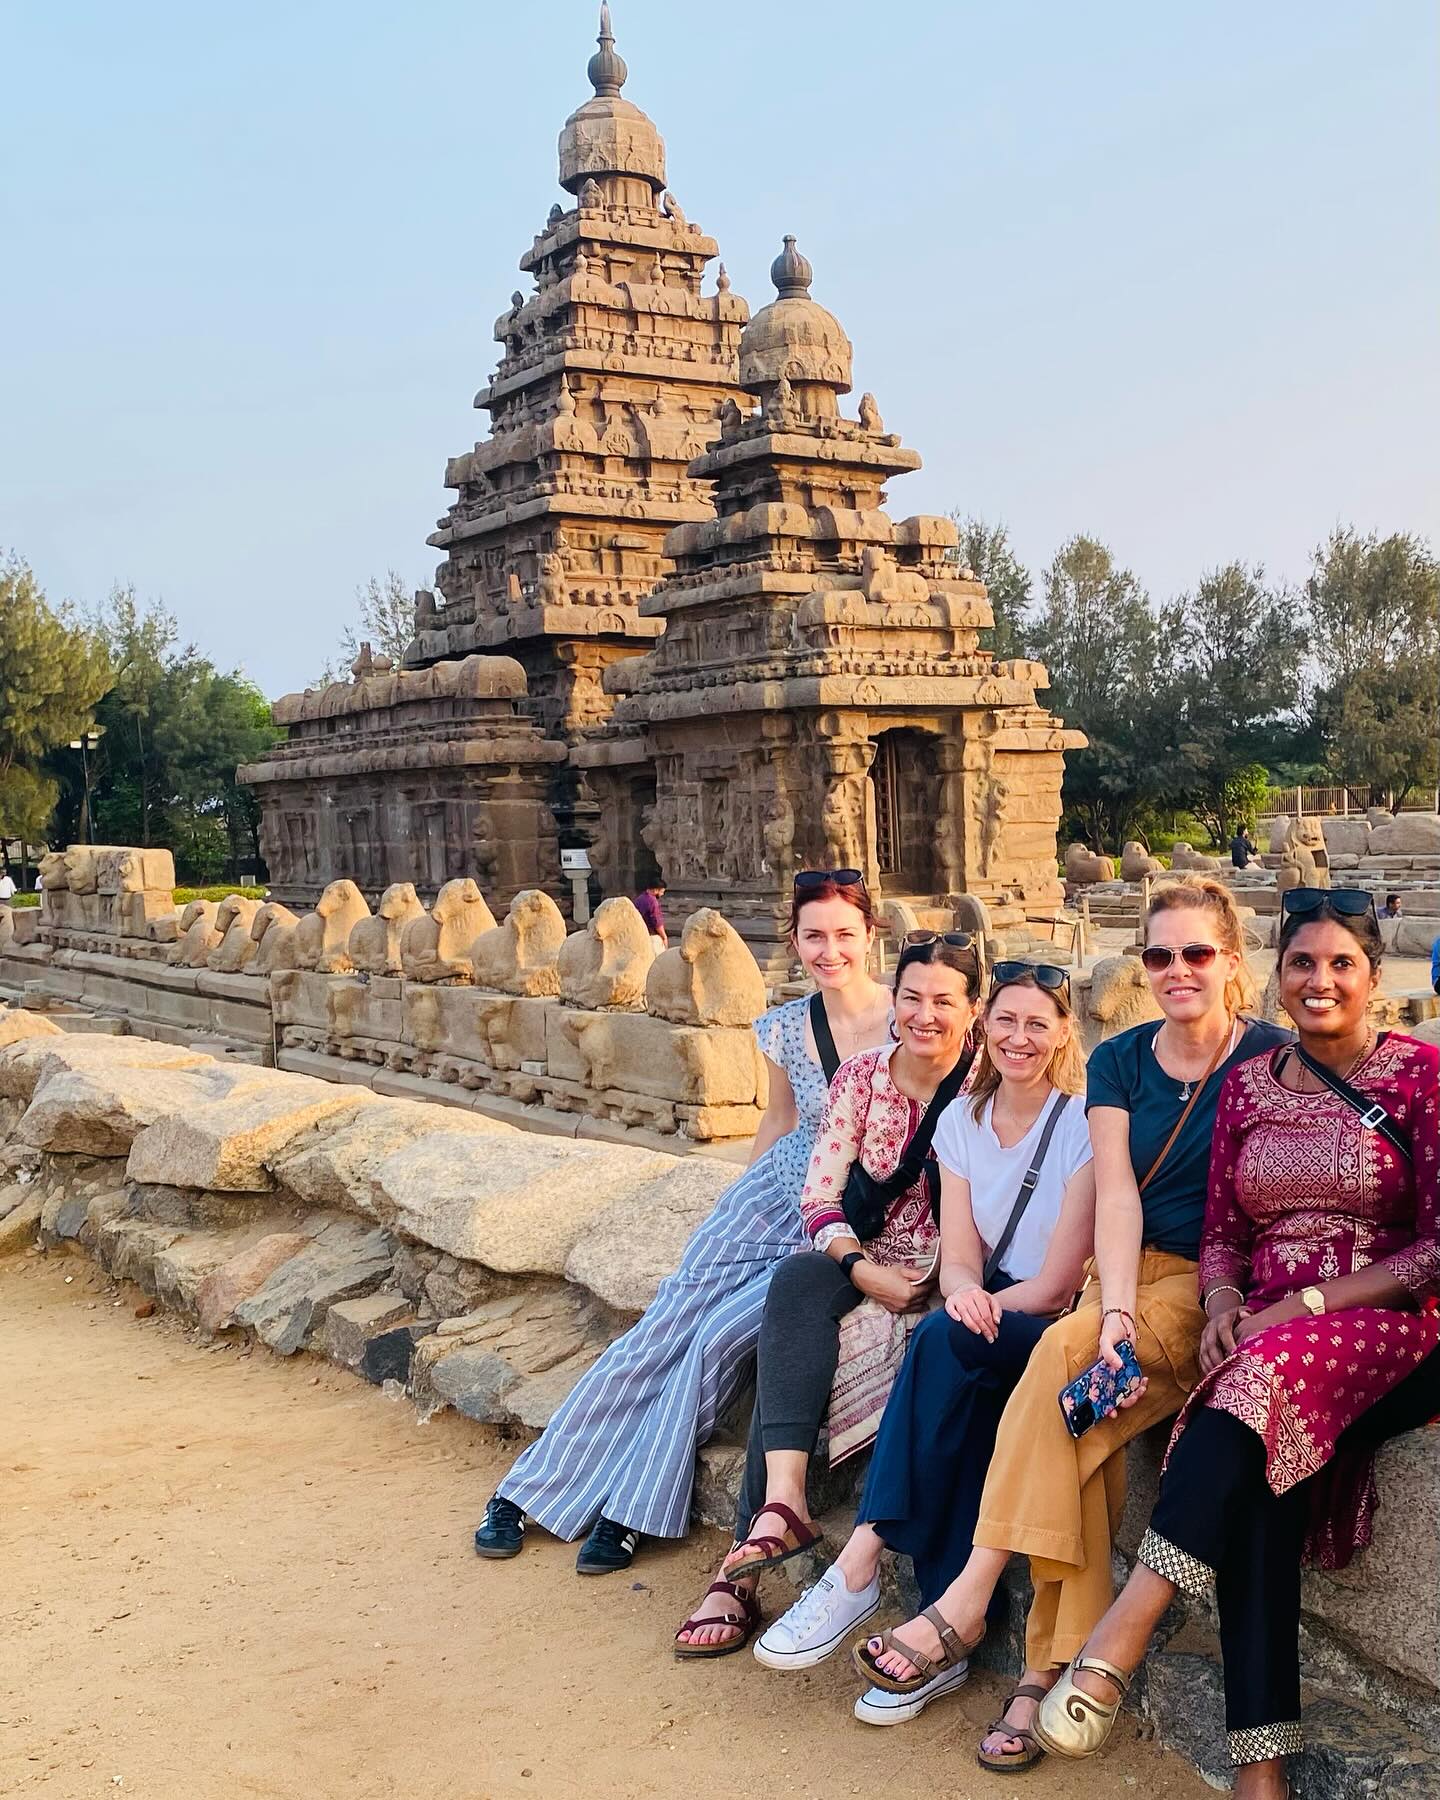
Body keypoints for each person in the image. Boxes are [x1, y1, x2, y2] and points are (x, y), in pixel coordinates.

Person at [850, 878, 1290, 1771]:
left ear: (1231, 964)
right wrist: (1116, 1312)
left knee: (1059, 1363)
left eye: (1196, 954)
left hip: (1217, 1287)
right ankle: (1041, 1677)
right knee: (1082, 1433)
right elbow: (1119, 1195)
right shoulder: (1124, 1059)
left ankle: (970, 1602)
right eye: (1159, 955)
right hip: (1131, 1276)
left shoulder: (1273, 1058)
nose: (1176, 971)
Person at [1031, 888, 1439, 1800]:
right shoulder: (1251, 1083)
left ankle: (1128, 1624)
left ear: (1375, 978)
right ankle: (1262, 1780)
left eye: (1342, 963)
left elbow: (1439, 1246)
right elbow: (1221, 1228)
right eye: (1303, 962)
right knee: (1260, 1476)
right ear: (1279, 976)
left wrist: (1306, 1305)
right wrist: (1219, 1298)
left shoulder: (1421, 1077)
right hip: (1264, 1339)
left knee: (1253, 1386)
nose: (1321, 980)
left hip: (1389, 1325)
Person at [474, 872, 892, 1574]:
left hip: (850, 1221)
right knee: (663, 1325)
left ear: (870, 937)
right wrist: (736, 1200)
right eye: (814, 936)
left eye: (844, 934)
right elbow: (782, 1121)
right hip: (771, 1200)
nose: (830, 950)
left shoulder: (908, 1017)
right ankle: (527, 1489)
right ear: (794, 941)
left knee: (715, 1342)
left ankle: (630, 1508)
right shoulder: (790, 1026)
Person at [753, 962, 1095, 1730]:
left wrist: (975, 1304)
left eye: (1037, 1023)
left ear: (1063, 1032)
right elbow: (962, 1247)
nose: (1018, 1038)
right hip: (984, 1298)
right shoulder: (961, 1123)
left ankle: (861, 1560)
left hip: (1050, 1315)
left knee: (943, 1343)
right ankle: (947, 1639)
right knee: (963, 1405)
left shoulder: (1080, 1125)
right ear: (988, 1027)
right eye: (1006, 1021)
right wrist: (967, 1290)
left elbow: (1056, 1283)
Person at [674, 931, 983, 1658]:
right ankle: (782, 1504)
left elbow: (999, 1212)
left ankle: (737, 1573)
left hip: (952, 1273)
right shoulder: (863, 1078)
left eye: (945, 1000)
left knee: (799, 1355)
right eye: (911, 997)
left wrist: (936, 1277)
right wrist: (858, 1268)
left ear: (974, 1008)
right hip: (864, 1256)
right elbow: (820, 1193)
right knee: (795, 1290)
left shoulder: (988, 1089)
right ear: (894, 1001)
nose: (925, 1015)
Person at [635, 880, 668, 952]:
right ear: (656, 890)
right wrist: (664, 936)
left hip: (638, 933)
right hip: (650, 935)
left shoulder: (639, 898)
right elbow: (657, 921)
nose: (662, 894)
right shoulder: (653, 901)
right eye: (662, 892)